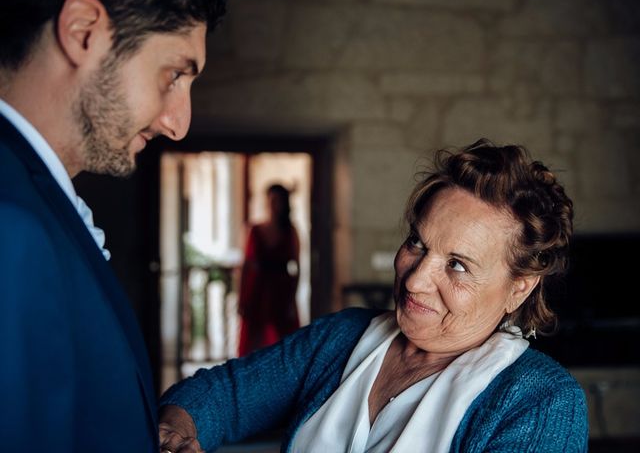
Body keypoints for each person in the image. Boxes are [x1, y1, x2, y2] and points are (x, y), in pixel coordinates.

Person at [158, 138, 589, 453]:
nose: (415, 279)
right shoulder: (341, 337)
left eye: (458, 264)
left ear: (520, 287)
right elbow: (226, 393)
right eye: (417, 243)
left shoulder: (539, 402)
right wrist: (175, 432)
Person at [0, 0, 229, 451]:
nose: (179, 123)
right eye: (174, 74)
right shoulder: (10, 227)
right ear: (84, 31)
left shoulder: (37, 202)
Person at [238, 183, 301, 356]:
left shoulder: (290, 231)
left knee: (284, 340)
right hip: (257, 287)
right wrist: (242, 296)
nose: (274, 204)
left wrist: (291, 299)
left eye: (277, 200)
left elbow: (297, 266)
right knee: (254, 339)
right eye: (271, 200)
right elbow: (246, 264)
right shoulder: (255, 230)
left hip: (281, 288)